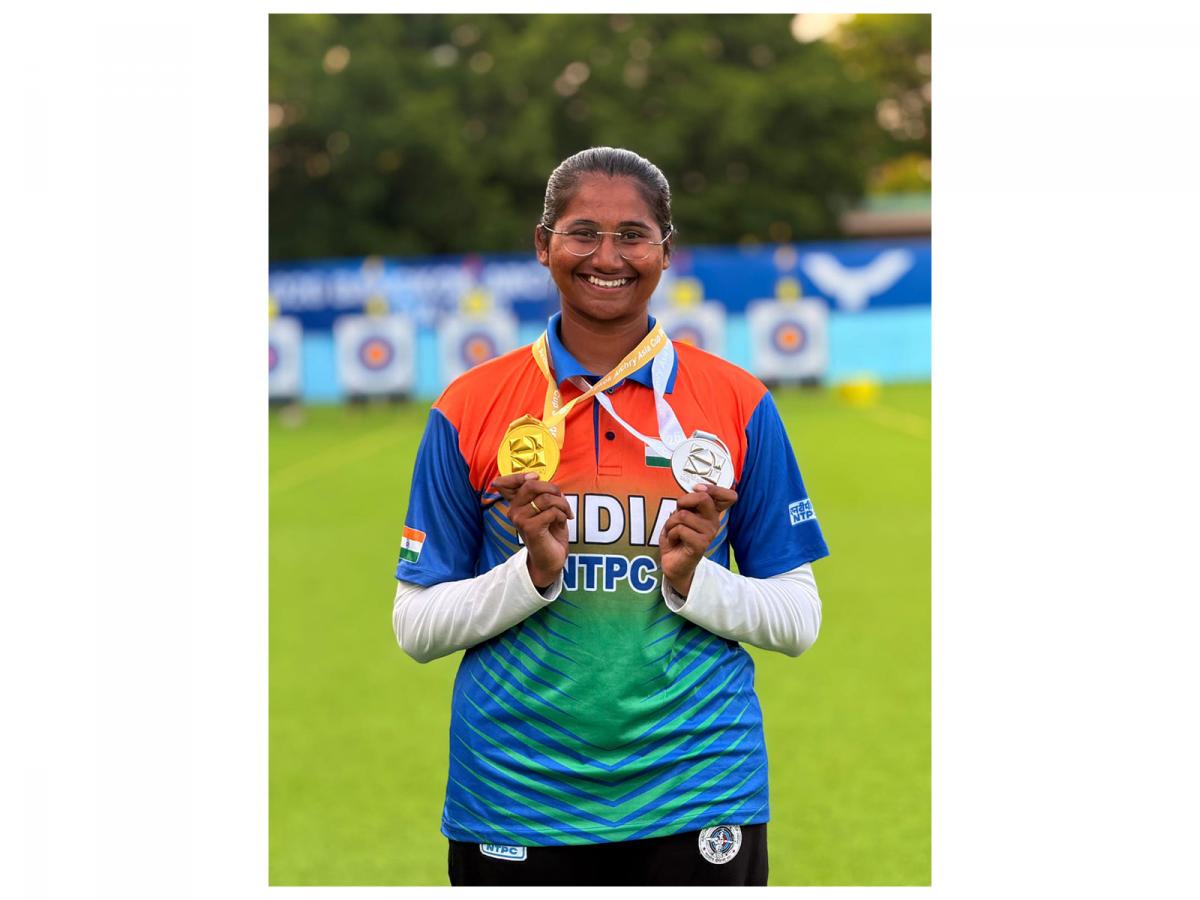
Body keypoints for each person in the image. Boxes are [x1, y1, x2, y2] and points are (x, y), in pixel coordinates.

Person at [392, 147, 829, 886]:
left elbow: (798, 620)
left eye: (632, 235)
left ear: (666, 250)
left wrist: (694, 581)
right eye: (582, 232)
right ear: (543, 245)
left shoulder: (737, 401)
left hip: (698, 785)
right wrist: (530, 574)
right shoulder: (470, 406)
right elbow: (415, 627)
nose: (607, 257)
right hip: (514, 790)